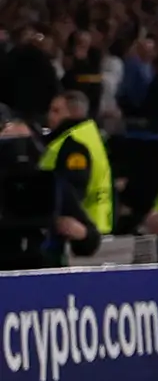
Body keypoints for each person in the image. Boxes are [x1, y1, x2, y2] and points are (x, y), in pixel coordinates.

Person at [40, 85, 113, 258]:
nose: (49, 116)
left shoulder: (74, 143)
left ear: (74, 113)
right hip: (95, 226)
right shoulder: (89, 135)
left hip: (77, 231)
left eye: (56, 111)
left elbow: (73, 188)